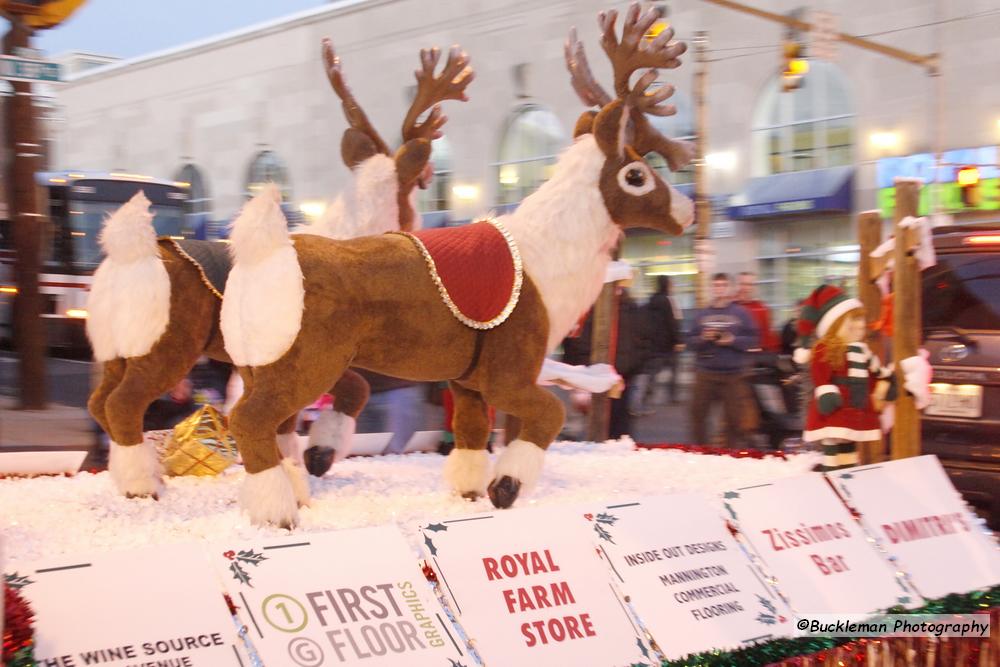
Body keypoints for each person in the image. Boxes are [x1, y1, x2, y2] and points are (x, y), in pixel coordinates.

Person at [686, 273, 759, 447]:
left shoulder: (741, 313)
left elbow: (753, 340)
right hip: (705, 372)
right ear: (712, 288)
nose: (719, 289)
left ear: (730, 288)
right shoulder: (702, 314)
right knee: (698, 415)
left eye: (723, 285)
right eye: (716, 285)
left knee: (734, 419)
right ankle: (702, 450)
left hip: (733, 374)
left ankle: (728, 454)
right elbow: (689, 342)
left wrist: (732, 340)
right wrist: (703, 338)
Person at [631, 275, 681, 413]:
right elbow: (672, 323)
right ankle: (639, 403)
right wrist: (678, 340)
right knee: (652, 374)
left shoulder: (651, 301)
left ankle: (640, 402)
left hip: (653, 343)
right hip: (664, 345)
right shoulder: (666, 301)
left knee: (650, 374)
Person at [735, 271, 777, 352]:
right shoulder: (729, 306)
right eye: (742, 284)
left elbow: (767, 336)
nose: (746, 288)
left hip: (755, 356)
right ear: (737, 285)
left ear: (754, 287)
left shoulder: (762, 309)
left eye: (750, 284)